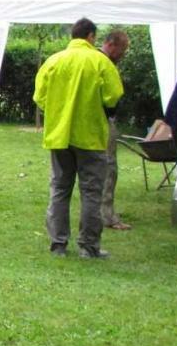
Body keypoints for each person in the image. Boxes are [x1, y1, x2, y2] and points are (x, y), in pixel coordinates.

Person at [33, 18, 124, 258]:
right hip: (90, 136)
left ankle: (58, 243)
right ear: (91, 37)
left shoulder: (53, 61)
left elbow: (39, 97)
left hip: (59, 135)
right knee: (91, 192)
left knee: (60, 189)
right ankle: (89, 246)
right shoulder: (100, 62)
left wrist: (57, 112)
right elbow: (113, 97)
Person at [98, 29, 131, 231]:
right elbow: (113, 96)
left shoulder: (90, 59)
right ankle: (107, 216)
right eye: (122, 50)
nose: (123, 55)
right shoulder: (104, 64)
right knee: (108, 168)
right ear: (111, 44)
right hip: (102, 121)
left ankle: (101, 213)